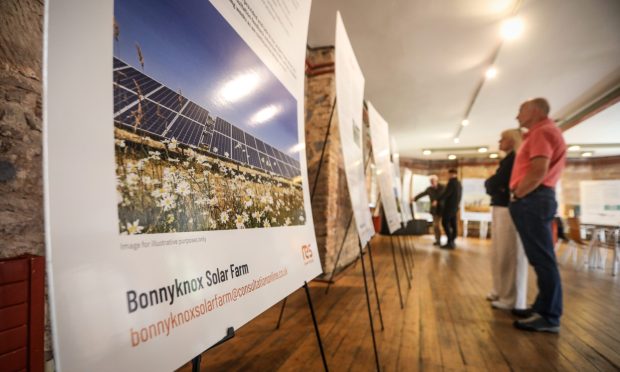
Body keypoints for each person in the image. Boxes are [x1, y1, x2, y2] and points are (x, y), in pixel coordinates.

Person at [509, 98, 566, 333]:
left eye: (520, 110)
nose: (517, 116)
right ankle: (542, 307)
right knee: (539, 257)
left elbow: (539, 169)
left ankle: (549, 316)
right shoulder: (542, 132)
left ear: (534, 111)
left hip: (533, 199)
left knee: (542, 259)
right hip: (535, 199)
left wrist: (520, 194)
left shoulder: (542, 131)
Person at [484, 129, 529, 313]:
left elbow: (494, 183)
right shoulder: (508, 160)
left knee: (510, 254)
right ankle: (500, 290)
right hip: (501, 206)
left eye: (502, 139)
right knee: (500, 253)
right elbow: (493, 184)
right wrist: (493, 185)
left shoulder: (515, 159)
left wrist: (494, 185)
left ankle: (511, 299)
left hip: (508, 208)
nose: (499, 142)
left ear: (511, 141)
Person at [413, 175, 445, 245]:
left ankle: (448, 240)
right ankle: (438, 240)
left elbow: (444, 196)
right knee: (436, 225)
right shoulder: (429, 189)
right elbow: (422, 194)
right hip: (435, 211)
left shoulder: (443, 187)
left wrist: (437, 201)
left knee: (443, 225)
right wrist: (414, 198)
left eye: (433, 181)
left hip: (442, 209)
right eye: (431, 182)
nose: (432, 183)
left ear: (437, 181)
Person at [438, 169, 462, 249]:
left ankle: (450, 241)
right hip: (455, 207)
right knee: (453, 224)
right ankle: (452, 241)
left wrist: (438, 199)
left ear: (452, 174)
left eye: (449, 174)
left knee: (445, 223)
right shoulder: (459, 184)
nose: (448, 176)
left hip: (449, 208)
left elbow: (446, 194)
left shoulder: (451, 183)